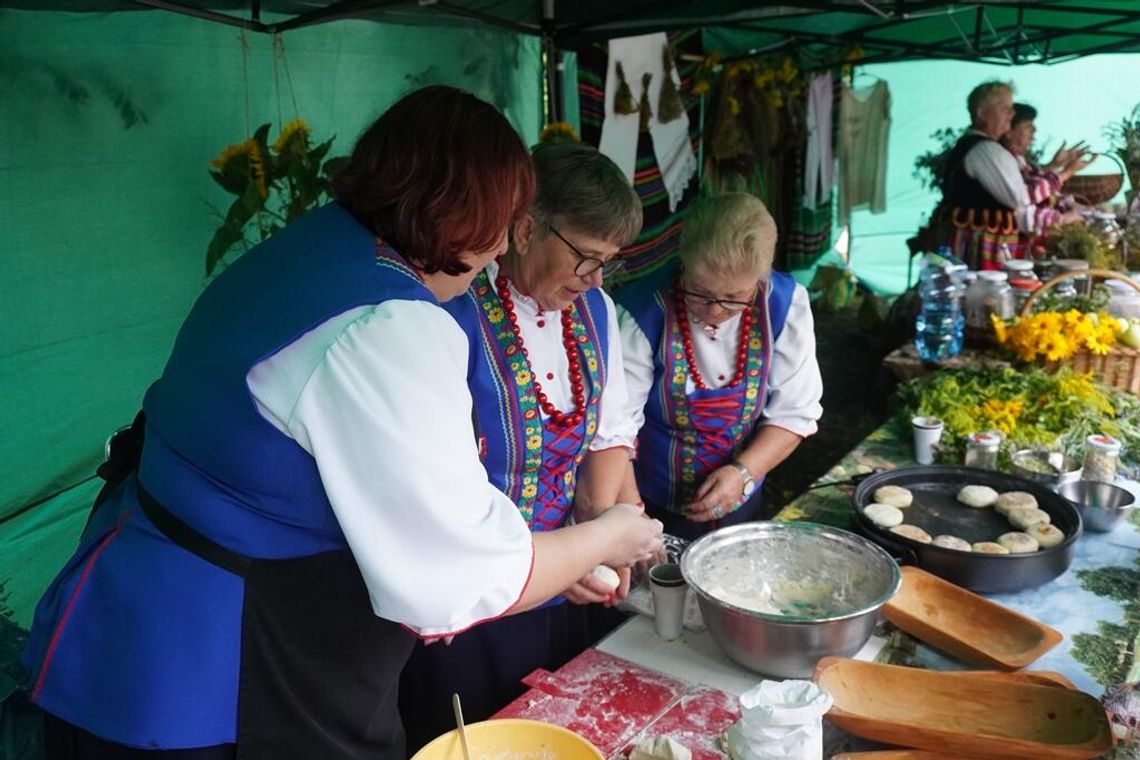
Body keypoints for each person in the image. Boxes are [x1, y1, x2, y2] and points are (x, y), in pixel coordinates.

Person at [22, 86, 663, 760]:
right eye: (503, 222)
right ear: (459, 216)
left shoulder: (311, 250)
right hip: (212, 666)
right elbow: (455, 575)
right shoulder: (386, 324)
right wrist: (604, 538)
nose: (503, 247)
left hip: (146, 607)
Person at [398, 140, 644, 750]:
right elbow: (433, 502)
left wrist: (601, 543)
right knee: (475, 738)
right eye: (586, 258)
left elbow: (606, 444)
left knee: (553, 733)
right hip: (469, 602)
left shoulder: (598, 313)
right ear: (528, 228)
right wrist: (569, 557)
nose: (595, 279)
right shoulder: (447, 316)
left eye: (607, 262)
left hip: (564, 585)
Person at [614, 193, 822, 541]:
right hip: (648, 504)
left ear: (760, 279)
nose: (714, 311)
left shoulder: (784, 306)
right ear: (683, 262)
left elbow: (794, 413)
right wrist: (635, 521)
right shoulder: (640, 314)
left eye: (734, 299)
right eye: (700, 292)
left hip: (743, 500)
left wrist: (744, 472)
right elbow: (614, 435)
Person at [920, 81, 1072, 270]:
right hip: (977, 245)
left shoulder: (982, 147)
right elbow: (1019, 198)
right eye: (1005, 108)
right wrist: (1064, 174)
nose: (1012, 114)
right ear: (982, 113)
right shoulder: (985, 150)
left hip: (980, 241)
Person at [1000, 102, 1093, 255]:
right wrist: (1067, 171)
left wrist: (1056, 165)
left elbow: (1036, 184)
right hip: (1011, 249)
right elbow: (1025, 202)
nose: (1034, 131)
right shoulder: (1002, 161)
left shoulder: (1018, 160)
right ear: (1008, 131)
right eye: (1028, 126)